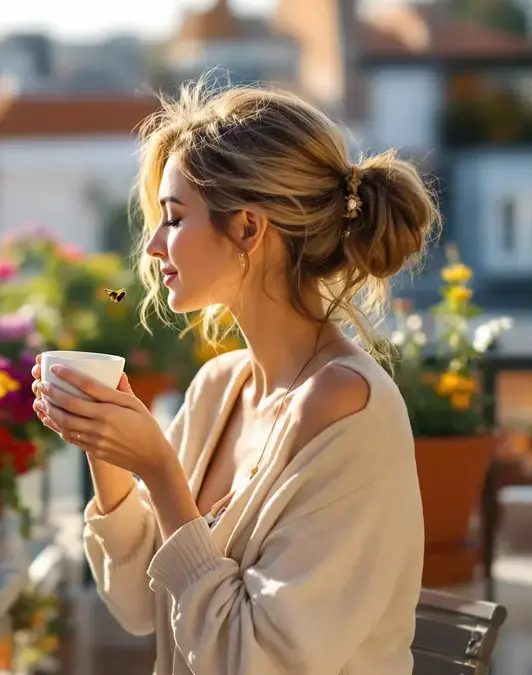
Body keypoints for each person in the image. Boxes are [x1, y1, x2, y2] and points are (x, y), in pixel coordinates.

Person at [31, 82, 436, 675]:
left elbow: (256, 661)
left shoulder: (349, 410)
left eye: (173, 218)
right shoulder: (220, 387)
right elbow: (141, 605)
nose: (151, 245)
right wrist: (107, 449)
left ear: (248, 229)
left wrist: (161, 471)